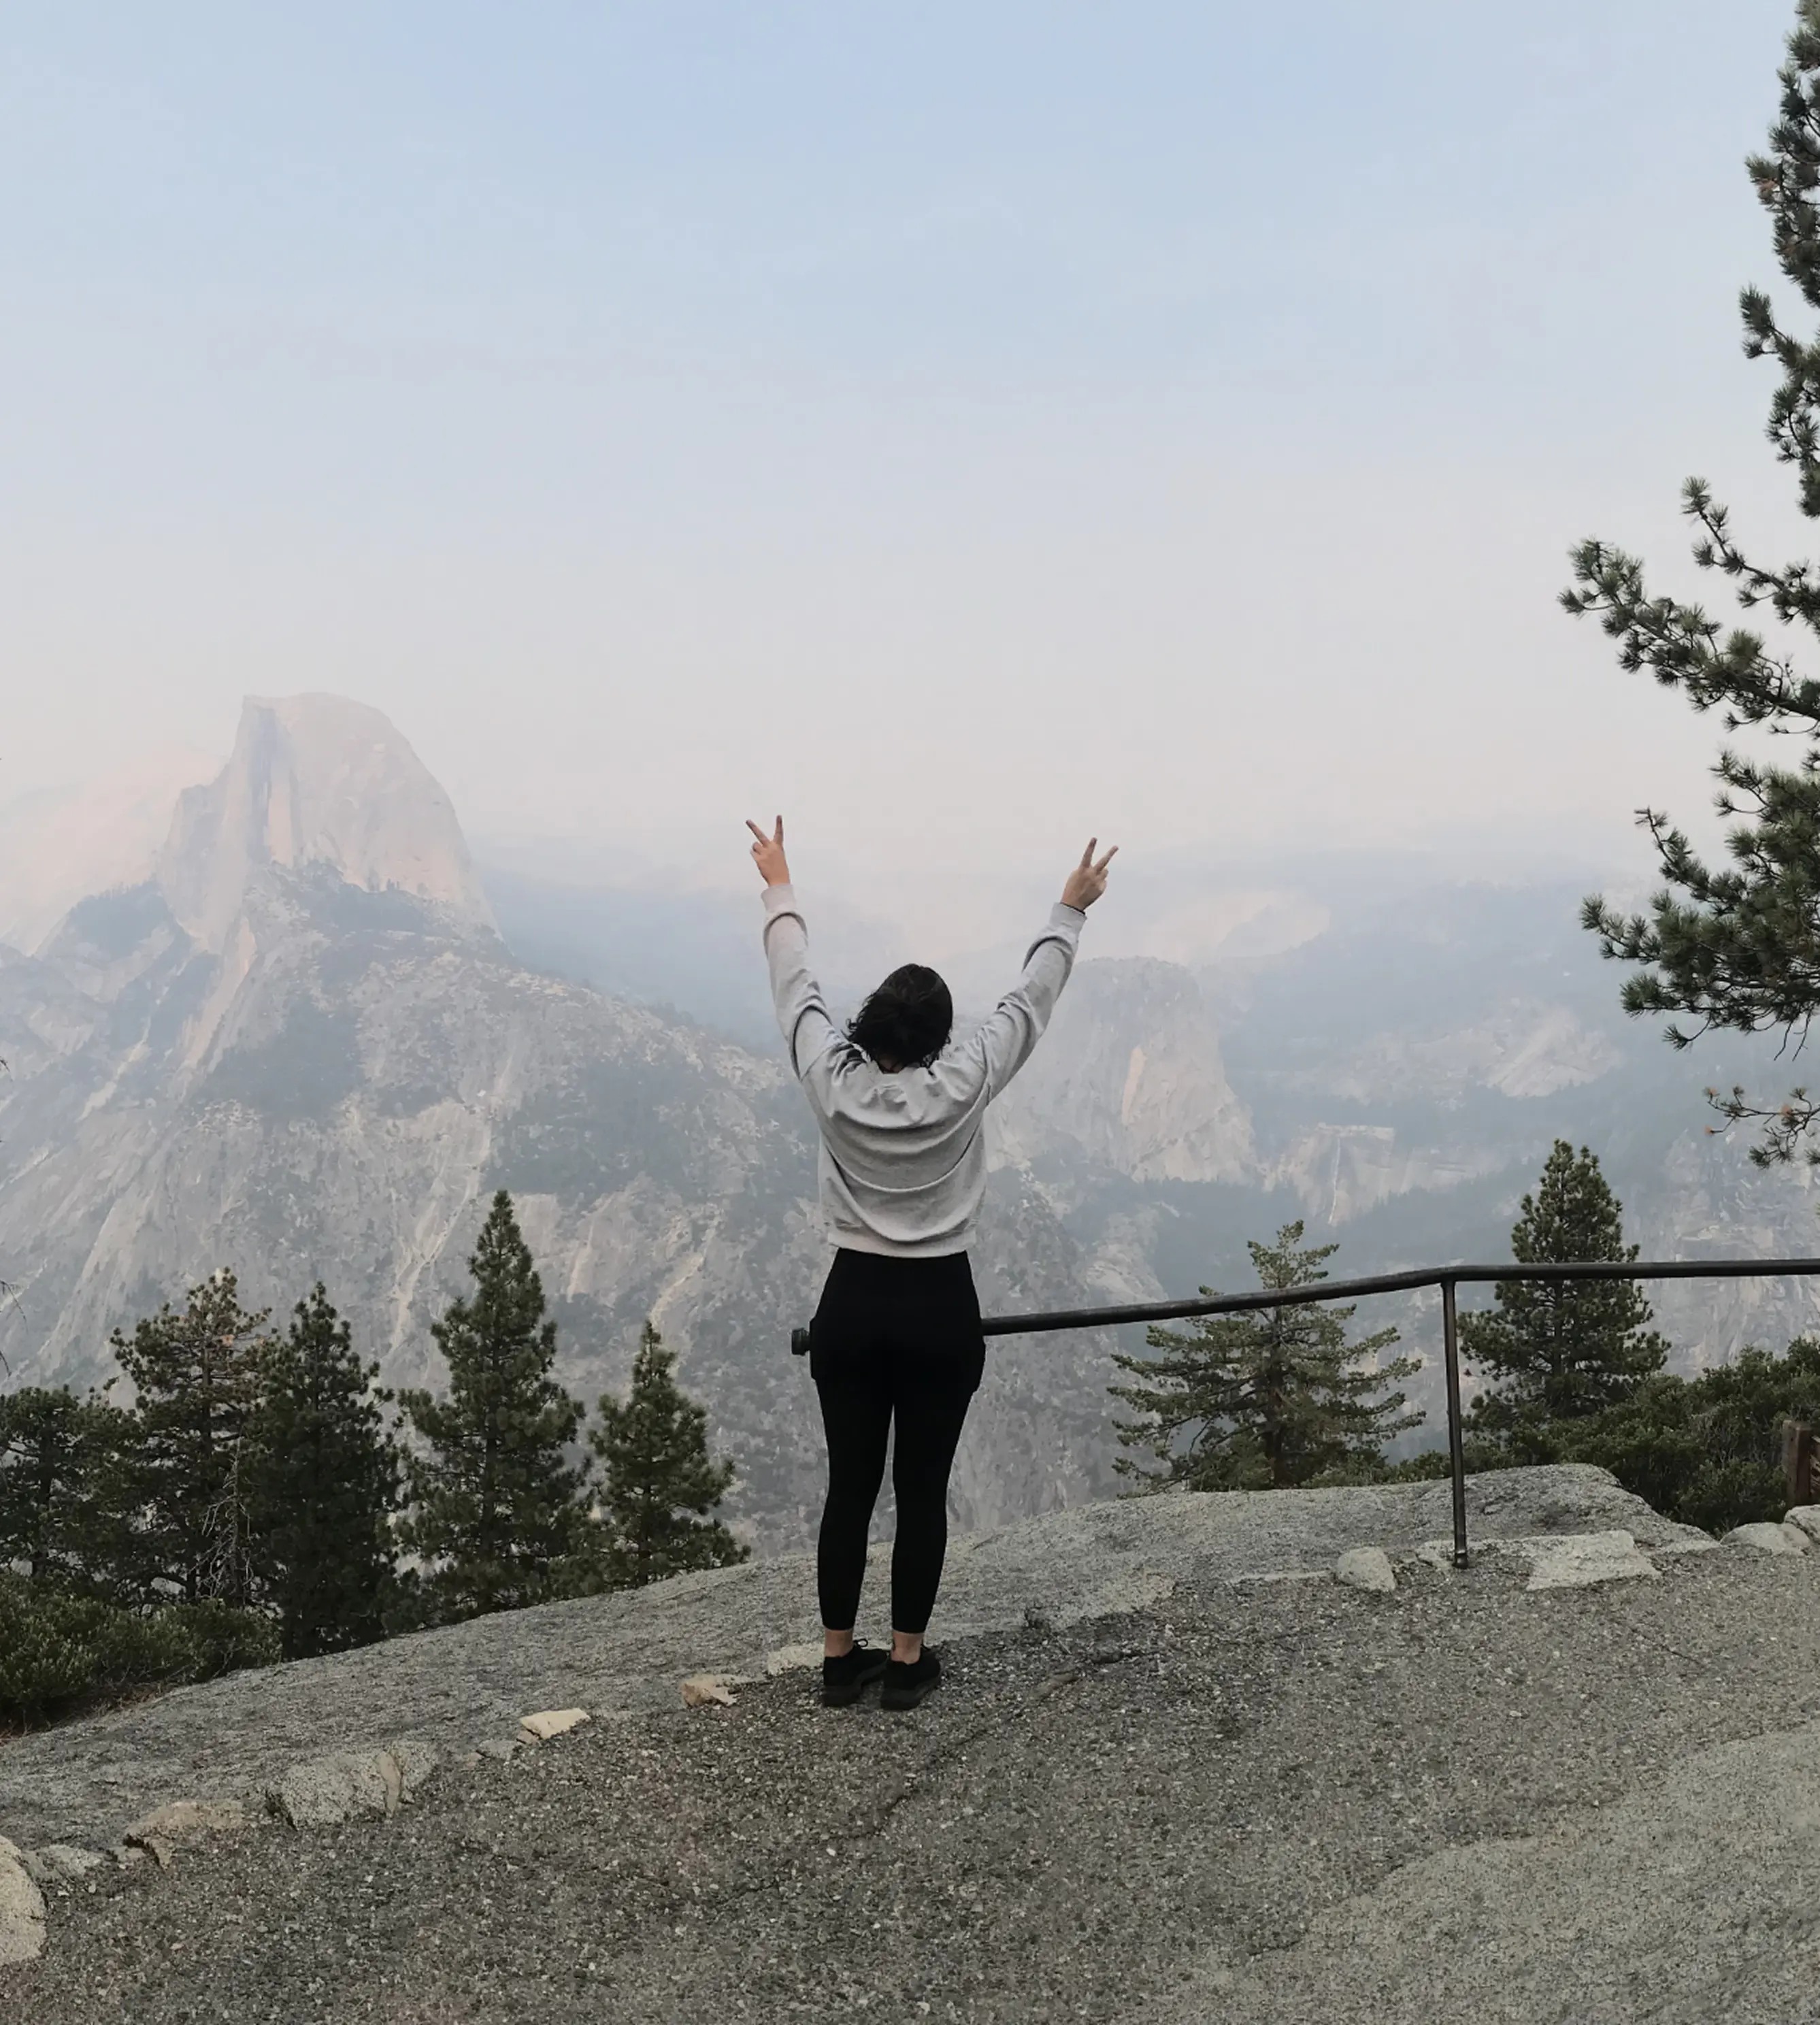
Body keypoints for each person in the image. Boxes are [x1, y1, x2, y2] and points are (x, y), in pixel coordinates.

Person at [748, 815, 1116, 1711]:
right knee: (920, 1491)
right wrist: (1068, 909)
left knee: (849, 1487)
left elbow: (795, 985)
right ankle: (906, 1663)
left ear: (869, 1021)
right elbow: (1028, 1003)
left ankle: (838, 1660)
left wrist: (778, 884)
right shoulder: (964, 1082)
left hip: (851, 1303)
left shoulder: (830, 1083)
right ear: (942, 1036)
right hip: (939, 1306)